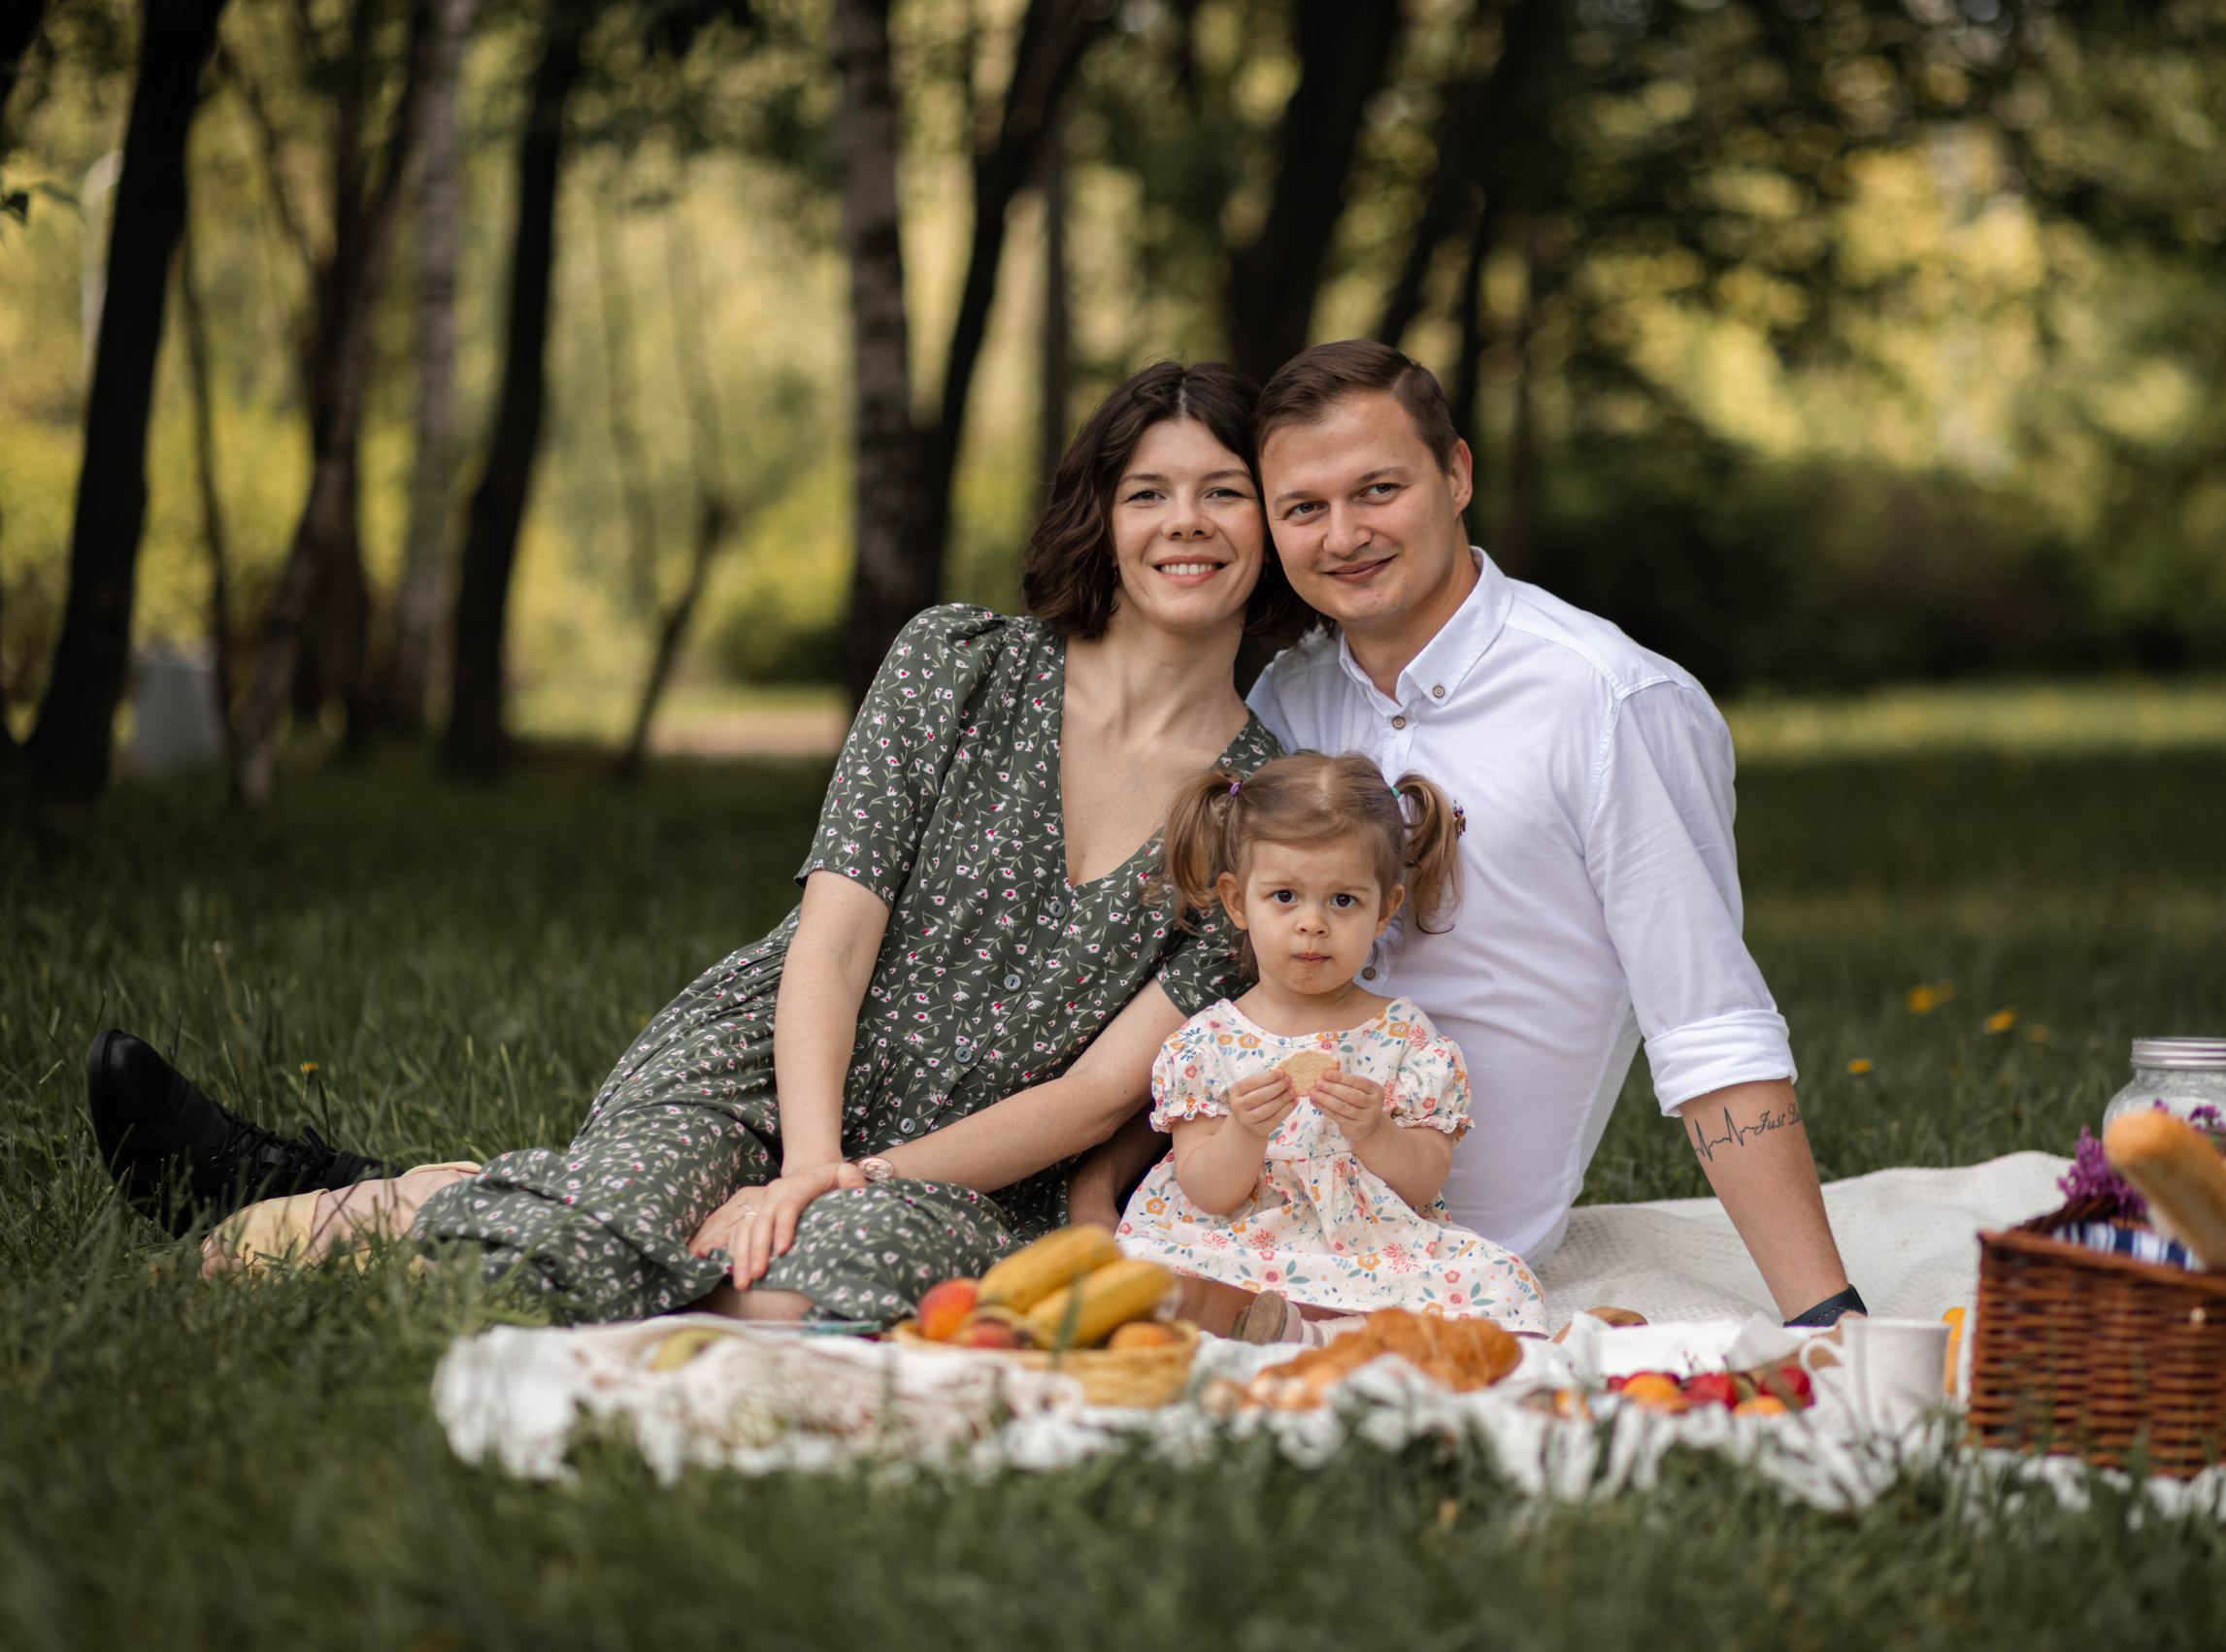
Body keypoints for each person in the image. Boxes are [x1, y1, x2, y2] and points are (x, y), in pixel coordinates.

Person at [83, 359, 1306, 1325]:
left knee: (803, 1287)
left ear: (1270, 521)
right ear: (1101, 514)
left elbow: (1095, 1095)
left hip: (969, 1160)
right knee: (592, 1236)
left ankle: (426, 1194)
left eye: (1221, 491)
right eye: (1147, 490)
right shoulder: (960, 665)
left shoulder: (1267, 811)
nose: (1182, 524)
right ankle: (298, 1214)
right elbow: (830, 946)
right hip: (772, 1065)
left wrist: (841, 1189)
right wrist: (807, 1154)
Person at [1087, 340, 1863, 1326]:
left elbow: (1707, 1025)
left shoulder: (1607, 700)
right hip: (1240, 1202)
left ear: (1455, 474)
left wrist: (1822, 1311)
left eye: (1378, 490)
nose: (1344, 535)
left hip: (1445, 1249)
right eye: (1303, 509)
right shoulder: (1287, 700)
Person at [1113, 751, 1550, 1341]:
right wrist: (1243, 1131)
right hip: (1237, 1248)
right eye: (1286, 896)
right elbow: (1207, 1193)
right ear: (1238, 901)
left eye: (1343, 901)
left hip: (1368, 1249)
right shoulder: (1206, 1043)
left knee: (1499, 1282)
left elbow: (1421, 1184)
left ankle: (1306, 1333)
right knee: (1150, 1275)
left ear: (1383, 910)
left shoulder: (1404, 1037)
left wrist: (1376, 1132)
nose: (1313, 923)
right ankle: (1294, 1327)